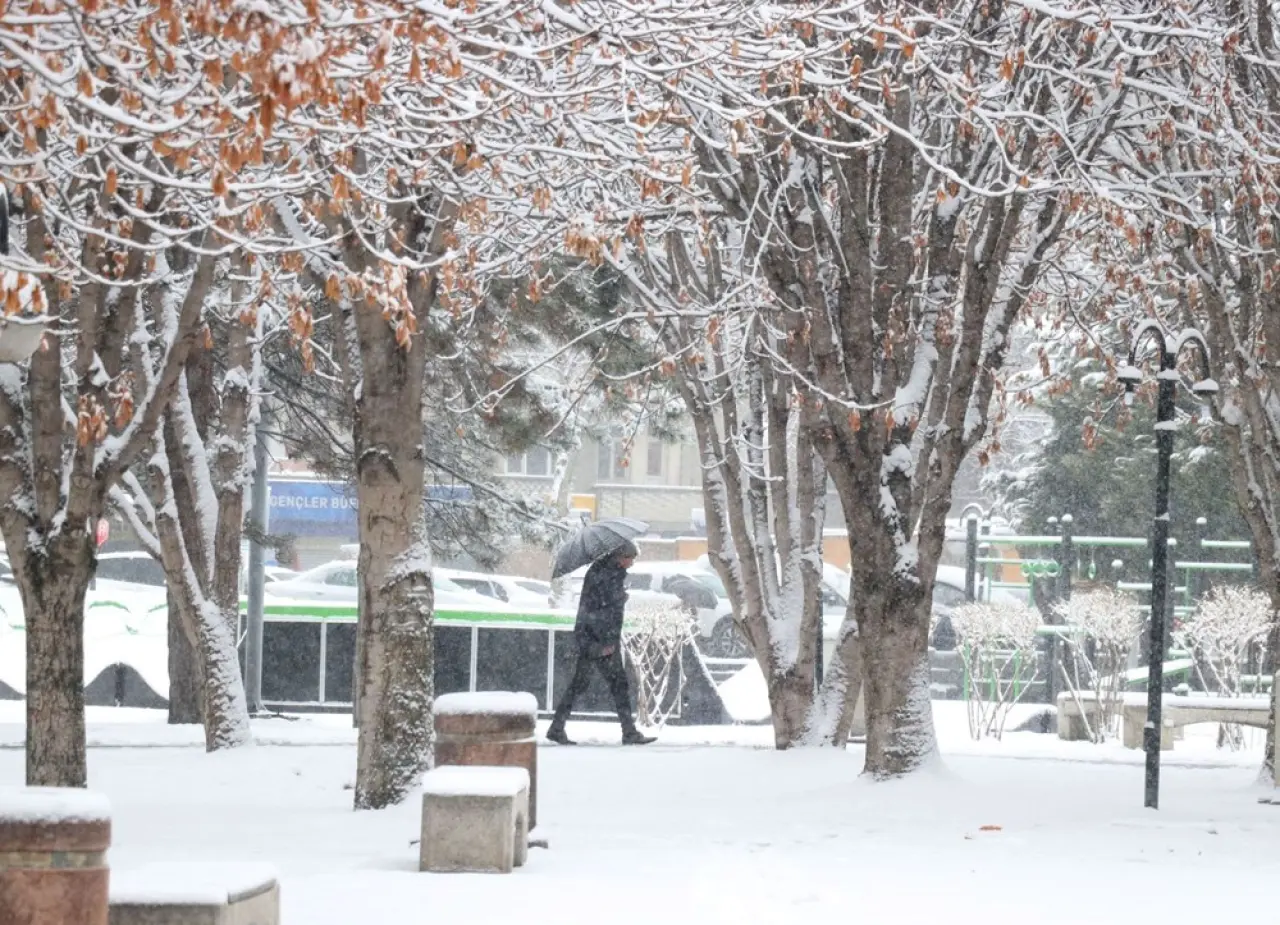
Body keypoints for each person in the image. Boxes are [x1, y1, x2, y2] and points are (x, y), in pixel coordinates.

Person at [547, 542, 656, 746]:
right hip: (599, 639)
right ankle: (629, 732)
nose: (631, 563)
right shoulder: (607, 574)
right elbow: (601, 609)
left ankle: (556, 727)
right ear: (621, 556)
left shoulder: (603, 571)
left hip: (590, 636)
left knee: (580, 684)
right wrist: (606, 641)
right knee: (618, 685)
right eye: (630, 558)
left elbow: (596, 605)